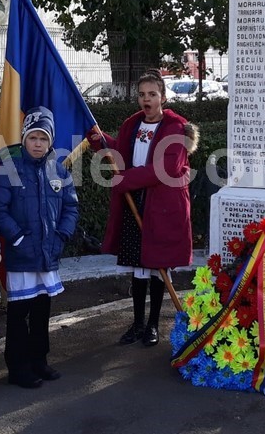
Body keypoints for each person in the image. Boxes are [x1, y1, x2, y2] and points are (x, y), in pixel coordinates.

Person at [88, 69, 198, 347]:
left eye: (152, 94)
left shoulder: (175, 127)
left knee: (157, 266)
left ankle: (153, 325)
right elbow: (121, 156)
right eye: (141, 94)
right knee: (138, 266)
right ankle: (137, 323)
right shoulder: (132, 125)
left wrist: (126, 179)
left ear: (162, 96)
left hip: (162, 206)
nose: (146, 99)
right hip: (136, 200)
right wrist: (100, 141)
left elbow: (166, 168)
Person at [0, 106, 78, 388]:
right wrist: (17, 238)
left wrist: (62, 235)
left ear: (50, 141)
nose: (38, 143)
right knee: (19, 313)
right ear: (25, 138)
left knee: (42, 310)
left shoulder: (58, 169)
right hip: (21, 255)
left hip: (47, 254)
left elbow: (71, 207)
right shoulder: (9, 168)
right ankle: (18, 367)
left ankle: (40, 360)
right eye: (33, 138)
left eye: (43, 138)